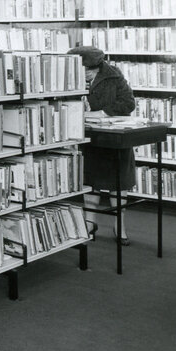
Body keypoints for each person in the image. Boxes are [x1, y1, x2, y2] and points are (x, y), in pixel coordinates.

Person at [68, 45, 136, 245]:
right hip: (90, 138)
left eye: (89, 70)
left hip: (115, 139)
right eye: (82, 70)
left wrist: (101, 113)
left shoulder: (114, 76)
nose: (86, 74)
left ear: (98, 67)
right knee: (90, 181)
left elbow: (128, 103)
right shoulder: (67, 77)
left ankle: (119, 226)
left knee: (119, 183)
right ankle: (90, 223)